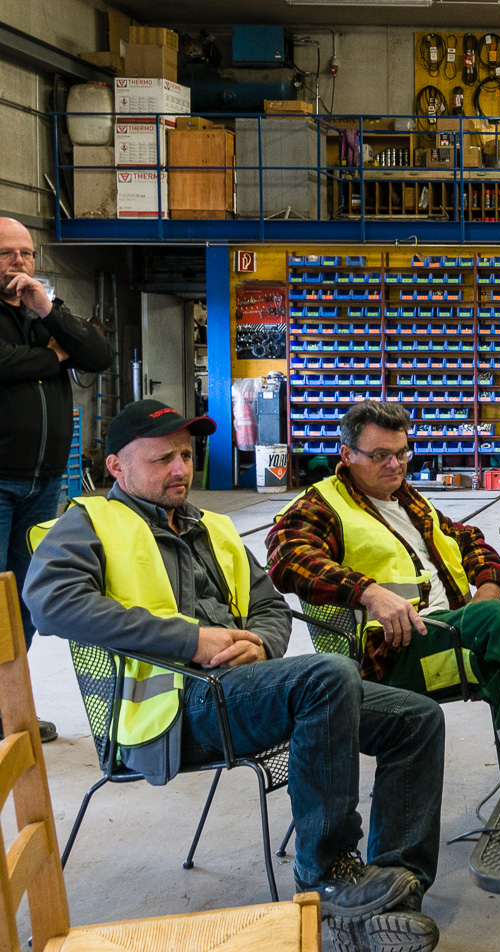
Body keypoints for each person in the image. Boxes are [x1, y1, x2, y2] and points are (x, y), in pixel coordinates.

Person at [25, 401, 443, 952]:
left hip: (243, 691)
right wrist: (191, 640)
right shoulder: (89, 524)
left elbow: (269, 605)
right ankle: (325, 874)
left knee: (416, 718)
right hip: (174, 710)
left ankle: (394, 895)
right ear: (117, 467)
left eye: (185, 454)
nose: (181, 469)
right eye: (162, 459)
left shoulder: (212, 526)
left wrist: (261, 644)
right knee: (327, 675)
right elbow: (51, 602)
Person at [267, 400, 500, 763]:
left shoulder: (409, 501)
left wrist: (488, 589)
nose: (395, 465)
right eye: (380, 455)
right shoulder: (322, 506)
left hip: (450, 636)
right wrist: (368, 592)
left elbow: (469, 539)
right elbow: (288, 557)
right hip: (392, 656)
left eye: (401, 453)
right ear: (347, 455)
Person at [0, 217, 113, 743]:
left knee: (28, 599)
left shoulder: (41, 311)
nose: (19, 261)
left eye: (26, 253)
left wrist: (49, 312)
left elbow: (97, 355)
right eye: (7, 253)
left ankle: (9, 708)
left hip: (45, 482)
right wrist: (51, 356)